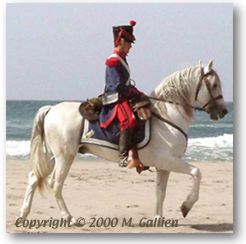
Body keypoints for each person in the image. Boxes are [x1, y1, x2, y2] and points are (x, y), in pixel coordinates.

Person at [99, 20, 145, 170]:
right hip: (115, 98)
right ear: (122, 41)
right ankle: (123, 156)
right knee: (129, 120)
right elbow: (117, 86)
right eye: (129, 43)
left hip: (123, 95)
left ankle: (139, 156)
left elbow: (125, 84)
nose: (131, 46)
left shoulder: (121, 59)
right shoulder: (113, 60)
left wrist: (138, 93)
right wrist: (133, 93)